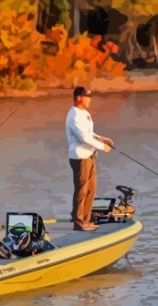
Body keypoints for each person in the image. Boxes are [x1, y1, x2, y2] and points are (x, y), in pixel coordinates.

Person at [66, 87, 114, 231]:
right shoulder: (74, 115)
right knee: (81, 189)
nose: (90, 100)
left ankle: (86, 220)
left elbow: (89, 133)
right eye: (87, 97)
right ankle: (79, 222)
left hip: (89, 156)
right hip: (80, 157)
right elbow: (84, 137)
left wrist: (101, 138)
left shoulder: (84, 113)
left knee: (91, 189)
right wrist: (102, 147)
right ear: (79, 98)